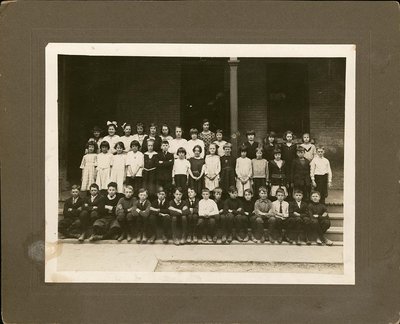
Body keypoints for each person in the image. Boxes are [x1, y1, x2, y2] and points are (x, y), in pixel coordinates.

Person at [281, 130, 297, 199]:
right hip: (285, 164)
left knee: (291, 177)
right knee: (286, 178)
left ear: (292, 137)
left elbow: (296, 155)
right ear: (286, 137)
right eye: (288, 136)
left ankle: (292, 194)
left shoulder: (294, 145)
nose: (289, 138)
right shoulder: (283, 145)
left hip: (292, 163)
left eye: (290, 136)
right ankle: (287, 194)